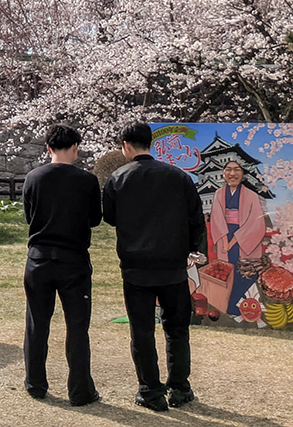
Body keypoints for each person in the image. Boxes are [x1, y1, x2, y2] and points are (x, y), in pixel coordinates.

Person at [103, 122, 205, 412]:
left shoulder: (118, 178)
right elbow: (196, 218)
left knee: (142, 330)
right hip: (174, 267)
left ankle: (150, 390)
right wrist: (193, 250)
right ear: (151, 143)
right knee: (177, 329)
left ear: (126, 145)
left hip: (135, 269)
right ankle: (180, 387)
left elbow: (109, 217)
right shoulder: (178, 176)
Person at [22, 124, 102, 406]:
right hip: (74, 261)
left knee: (36, 323)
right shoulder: (87, 181)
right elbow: (95, 219)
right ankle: (80, 391)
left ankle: (35, 384)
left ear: (48, 148)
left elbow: (29, 216)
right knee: (77, 326)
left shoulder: (33, 177)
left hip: (39, 258)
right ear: (75, 148)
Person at [208, 160, 267, 319]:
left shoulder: (251, 195)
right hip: (224, 234)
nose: (232, 174)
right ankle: (228, 304)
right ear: (223, 173)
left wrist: (234, 240)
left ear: (243, 174)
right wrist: (224, 240)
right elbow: (217, 218)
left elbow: (256, 222)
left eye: (236, 170)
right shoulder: (219, 194)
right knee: (228, 271)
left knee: (246, 272)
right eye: (228, 170)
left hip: (244, 237)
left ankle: (234, 304)